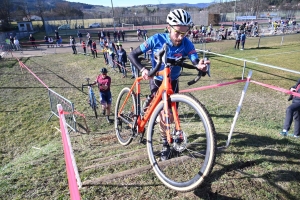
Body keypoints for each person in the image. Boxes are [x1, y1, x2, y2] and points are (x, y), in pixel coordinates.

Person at [128, 8, 210, 161]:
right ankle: (165, 143)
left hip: (173, 82)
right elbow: (132, 55)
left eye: (184, 33)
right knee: (163, 116)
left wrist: (200, 65)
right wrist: (143, 69)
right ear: (168, 28)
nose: (180, 37)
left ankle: (160, 120)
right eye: (177, 33)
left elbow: (194, 58)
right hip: (157, 80)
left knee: (171, 117)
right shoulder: (156, 39)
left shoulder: (186, 43)